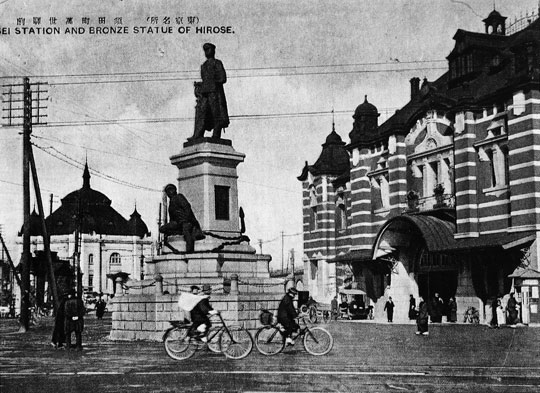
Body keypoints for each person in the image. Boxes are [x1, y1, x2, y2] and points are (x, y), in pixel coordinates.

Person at [191, 42, 230, 140]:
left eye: (209, 49)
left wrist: (211, 82)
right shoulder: (203, 66)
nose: (207, 52)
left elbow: (223, 78)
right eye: (205, 50)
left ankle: (216, 135)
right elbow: (205, 80)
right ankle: (198, 134)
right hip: (205, 94)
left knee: (216, 114)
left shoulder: (217, 63)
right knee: (202, 113)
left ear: (213, 51)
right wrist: (200, 85)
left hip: (215, 93)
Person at [159, 184, 205, 254]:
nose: (169, 193)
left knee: (187, 231)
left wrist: (188, 220)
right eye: (167, 191)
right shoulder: (171, 203)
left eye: (170, 190)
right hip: (177, 223)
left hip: (186, 221)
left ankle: (189, 252)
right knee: (162, 229)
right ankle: (178, 232)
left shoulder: (179, 197)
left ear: (174, 190)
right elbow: (172, 217)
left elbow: (187, 207)